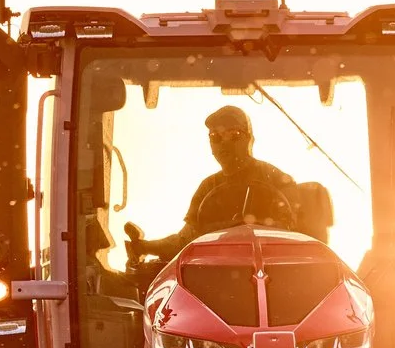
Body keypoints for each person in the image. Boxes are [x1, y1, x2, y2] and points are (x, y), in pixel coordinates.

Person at [126, 104, 330, 265]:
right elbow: (185, 240)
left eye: (233, 135)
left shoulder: (274, 178)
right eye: (215, 137)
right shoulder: (207, 187)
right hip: (217, 279)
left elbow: (295, 232)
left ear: (249, 139)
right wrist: (143, 247)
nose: (223, 144)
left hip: (273, 275)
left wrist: (247, 227)